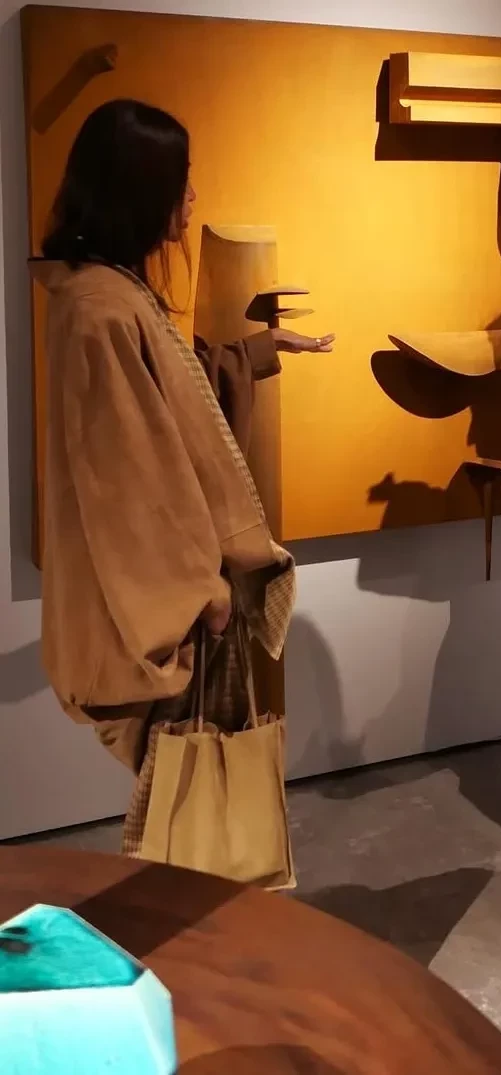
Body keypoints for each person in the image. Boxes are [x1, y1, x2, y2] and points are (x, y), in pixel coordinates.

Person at [34, 99, 335, 776]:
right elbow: (129, 484)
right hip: (176, 614)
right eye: (181, 178)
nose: (192, 194)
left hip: (187, 605)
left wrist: (255, 352)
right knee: (186, 803)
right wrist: (203, 595)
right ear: (140, 189)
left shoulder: (105, 293)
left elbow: (168, 394)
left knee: (188, 800)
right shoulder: (101, 309)